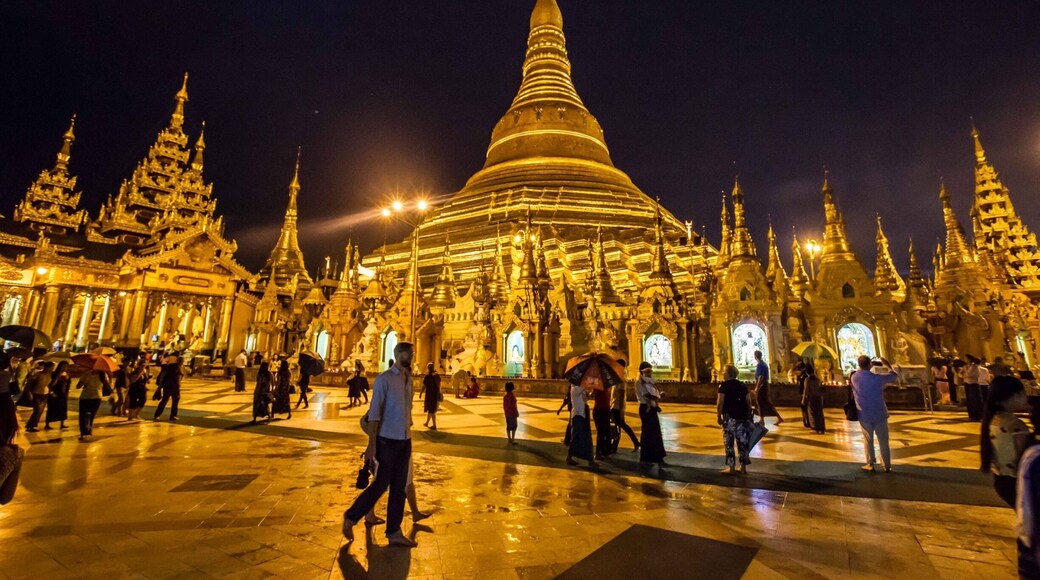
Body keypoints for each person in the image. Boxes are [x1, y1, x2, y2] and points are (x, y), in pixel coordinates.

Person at [342, 342, 418, 548]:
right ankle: (351, 516)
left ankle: (394, 531)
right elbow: (374, 413)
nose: (411, 357)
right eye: (408, 354)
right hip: (386, 440)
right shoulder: (384, 379)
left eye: (412, 354)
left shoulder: (408, 378)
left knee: (399, 488)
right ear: (398, 354)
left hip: (404, 439)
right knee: (380, 484)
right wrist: (371, 444)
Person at [980, 375, 1031, 506]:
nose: (1025, 397)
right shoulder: (1015, 425)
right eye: (1021, 393)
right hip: (1018, 481)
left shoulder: (991, 420)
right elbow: (1025, 456)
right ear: (1010, 397)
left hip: (1001, 480)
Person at [851, 355, 897, 472]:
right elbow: (894, 375)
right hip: (879, 412)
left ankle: (870, 463)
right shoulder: (877, 378)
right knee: (883, 440)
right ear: (870, 365)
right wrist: (887, 364)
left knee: (868, 439)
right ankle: (887, 465)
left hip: (864, 413)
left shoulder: (854, 377)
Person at [717, 364, 754, 474]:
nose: (723, 374)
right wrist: (748, 415)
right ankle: (743, 467)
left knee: (729, 443)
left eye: (724, 372)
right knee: (742, 442)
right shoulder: (742, 385)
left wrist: (718, 415)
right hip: (742, 417)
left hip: (729, 418)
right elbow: (749, 402)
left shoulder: (723, 386)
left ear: (728, 374)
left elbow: (720, 402)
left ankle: (732, 467)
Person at [635, 361, 667, 465]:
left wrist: (659, 396)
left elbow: (655, 393)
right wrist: (658, 397)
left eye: (650, 371)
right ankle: (647, 456)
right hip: (645, 408)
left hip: (652, 408)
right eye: (647, 371)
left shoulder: (651, 381)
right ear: (642, 371)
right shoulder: (639, 382)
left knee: (655, 432)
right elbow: (646, 395)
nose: (649, 373)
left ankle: (657, 456)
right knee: (648, 432)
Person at [611, 361, 640, 452]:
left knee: (620, 425)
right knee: (617, 426)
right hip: (614, 405)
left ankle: (635, 442)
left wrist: (620, 409)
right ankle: (614, 446)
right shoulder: (617, 377)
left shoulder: (621, 379)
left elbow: (621, 394)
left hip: (617, 406)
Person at [566, 381, 595, 467]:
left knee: (586, 437)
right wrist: (593, 381)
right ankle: (570, 457)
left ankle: (590, 459)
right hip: (577, 416)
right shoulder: (575, 388)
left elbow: (586, 398)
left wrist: (591, 392)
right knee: (576, 437)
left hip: (583, 414)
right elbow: (585, 385)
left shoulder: (580, 389)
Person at [76, 369, 109, 440]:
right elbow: (78, 386)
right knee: (86, 416)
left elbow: (107, 385)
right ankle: (85, 432)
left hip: (94, 397)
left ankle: (87, 431)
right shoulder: (87, 374)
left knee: (89, 415)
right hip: (87, 397)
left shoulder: (102, 375)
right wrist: (84, 382)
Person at [753, 351, 783, 426]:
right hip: (764, 385)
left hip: (762, 385)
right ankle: (763, 419)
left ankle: (762, 420)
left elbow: (760, 377)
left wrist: (757, 387)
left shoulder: (760, 365)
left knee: (761, 402)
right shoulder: (763, 364)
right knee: (765, 402)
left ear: (755, 356)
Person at [24, 361, 53, 432]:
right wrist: (29, 392)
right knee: (37, 410)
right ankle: (30, 425)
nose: (52, 369)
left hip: (45, 394)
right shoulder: (38, 374)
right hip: (37, 393)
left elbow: (48, 384)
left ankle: (32, 425)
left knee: (40, 411)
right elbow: (29, 383)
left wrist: (50, 391)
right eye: (51, 367)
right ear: (47, 367)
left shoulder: (49, 375)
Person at [153, 352, 183, 421]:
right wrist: (159, 387)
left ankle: (169, 415)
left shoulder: (176, 367)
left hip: (172, 386)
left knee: (170, 400)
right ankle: (162, 415)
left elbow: (178, 377)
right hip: (170, 385)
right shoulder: (173, 367)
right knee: (168, 400)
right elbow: (164, 375)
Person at [44, 361, 71, 430]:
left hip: (63, 394)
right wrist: (51, 392)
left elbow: (68, 385)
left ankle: (62, 424)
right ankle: (47, 424)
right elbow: (51, 384)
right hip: (54, 393)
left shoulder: (67, 375)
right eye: (64, 366)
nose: (65, 368)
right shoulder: (54, 374)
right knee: (51, 409)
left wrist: (67, 394)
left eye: (66, 366)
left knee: (63, 408)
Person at [801, 362, 825, 434]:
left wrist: (803, 400)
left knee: (812, 412)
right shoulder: (817, 379)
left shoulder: (807, 380)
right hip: (819, 397)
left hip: (811, 397)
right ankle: (821, 425)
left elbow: (806, 390)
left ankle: (815, 426)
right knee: (819, 412)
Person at [592, 379, 612, 459]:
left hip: (606, 410)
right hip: (599, 410)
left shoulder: (607, 386)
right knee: (600, 432)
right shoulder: (598, 384)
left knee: (606, 431)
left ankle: (604, 450)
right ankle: (598, 453)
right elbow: (593, 395)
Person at [419, 363, 441, 430]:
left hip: (429, 395)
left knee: (431, 410)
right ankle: (427, 422)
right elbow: (439, 385)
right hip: (435, 394)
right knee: (431, 409)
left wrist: (420, 393)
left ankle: (434, 425)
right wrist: (439, 392)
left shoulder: (427, 376)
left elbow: (424, 386)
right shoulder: (437, 375)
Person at [964, 354, 983, 421]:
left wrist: (965, 374)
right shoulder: (966, 366)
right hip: (967, 384)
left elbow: (971, 375)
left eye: (966, 358)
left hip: (973, 384)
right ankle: (971, 416)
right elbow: (960, 374)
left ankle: (978, 416)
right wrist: (964, 374)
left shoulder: (975, 366)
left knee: (975, 400)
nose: (965, 360)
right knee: (969, 401)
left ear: (969, 359)